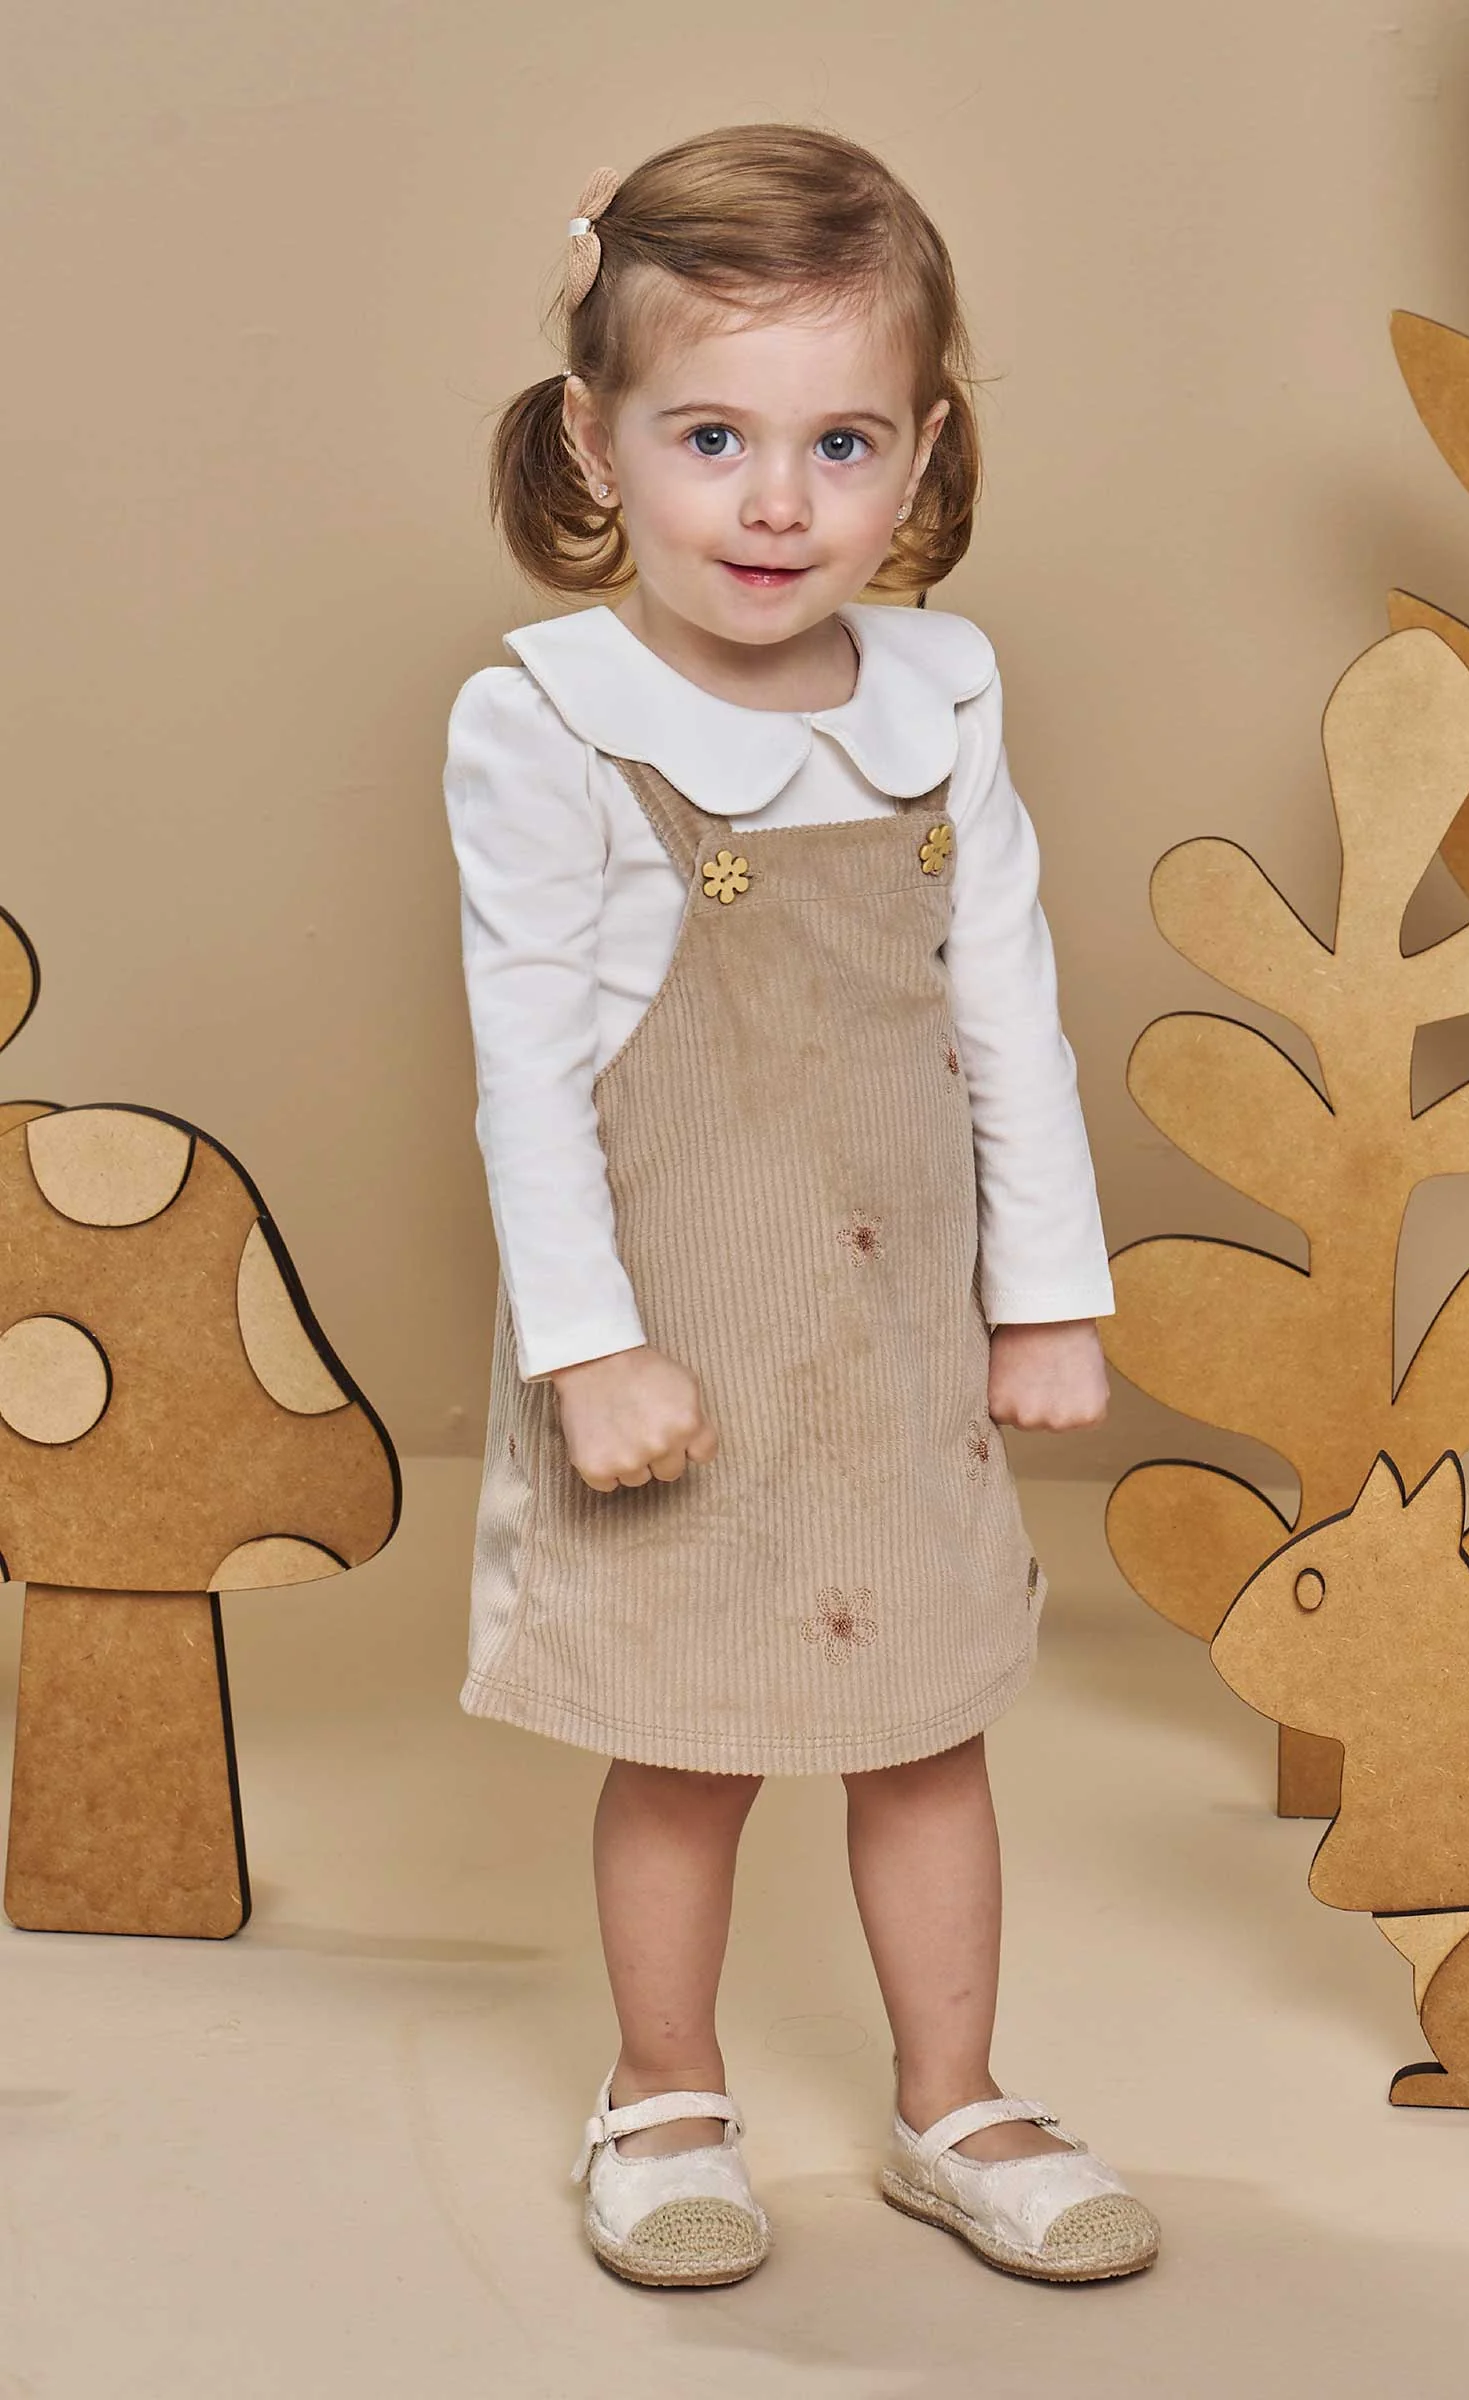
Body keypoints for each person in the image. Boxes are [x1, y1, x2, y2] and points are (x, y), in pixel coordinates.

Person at [442, 123, 1158, 2291]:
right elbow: (526, 1074)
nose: (776, 504)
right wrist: (593, 1353)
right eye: (712, 439)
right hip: (683, 1336)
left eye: (839, 444)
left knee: (926, 1727)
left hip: (895, 1334)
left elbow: (1005, 1009)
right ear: (596, 439)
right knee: (689, 1744)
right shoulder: (548, 721)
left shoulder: (944, 695)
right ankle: (660, 2089)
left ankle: (956, 2098)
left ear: (920, 450)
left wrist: (1043, 1296)